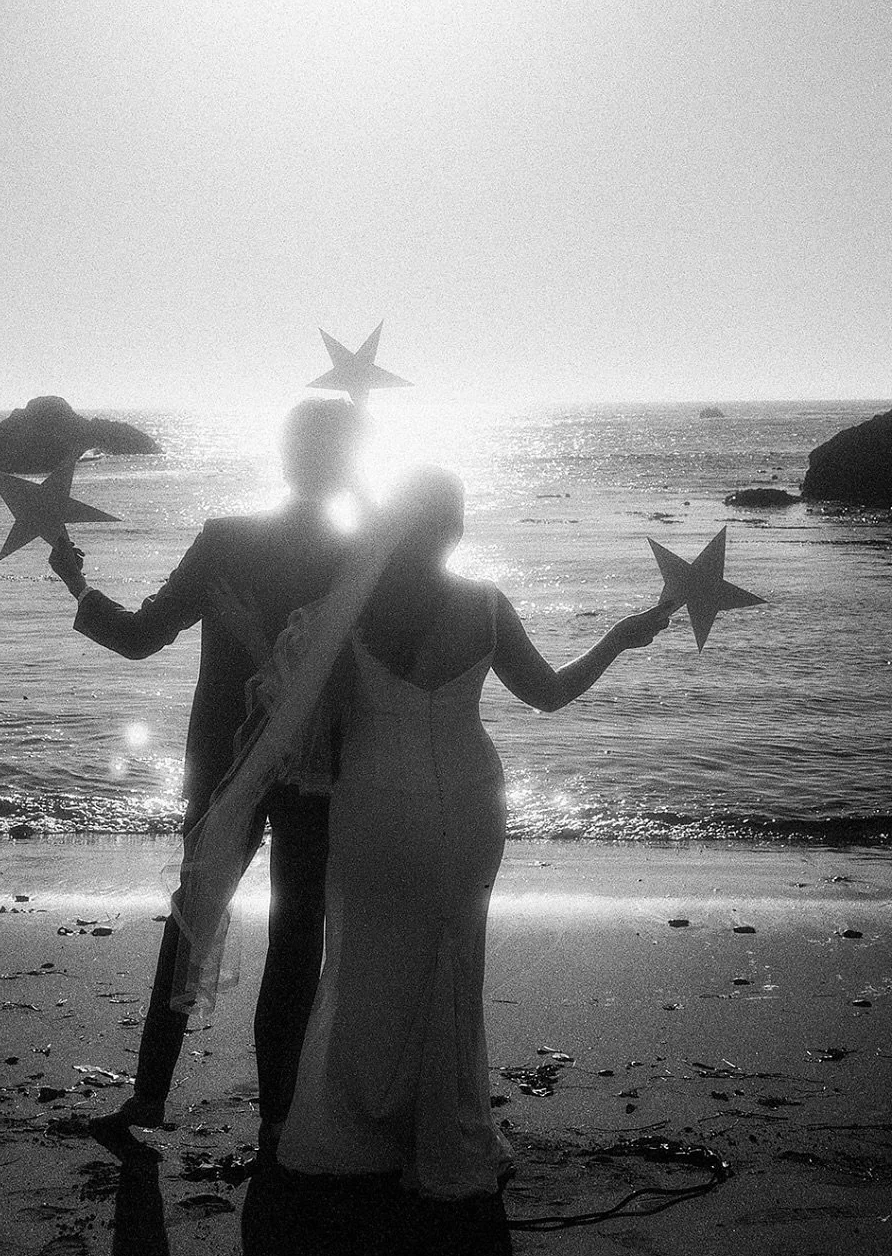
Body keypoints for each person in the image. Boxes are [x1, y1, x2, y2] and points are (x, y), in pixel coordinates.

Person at [274, 467, 670, 1198]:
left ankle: (361, 1124)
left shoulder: (350, 607)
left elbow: (316, 728)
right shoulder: (487, 606)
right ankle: (444, 1128)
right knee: (451, 961)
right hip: (467, 800)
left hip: (373, 806)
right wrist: (616, 638)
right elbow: (548, 695)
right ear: (455, 529)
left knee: (364, 958)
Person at [48, 397, 367, 1149]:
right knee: (297, 931)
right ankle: (279, 1115)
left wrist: (72, 580)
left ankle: (150, 1096)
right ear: (350, 462)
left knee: (192, 919)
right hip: (315, 768)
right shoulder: (362, 554)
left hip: (222, 762)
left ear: (285, 457)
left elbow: (137, 639)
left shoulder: (226, 541)